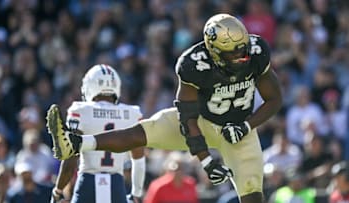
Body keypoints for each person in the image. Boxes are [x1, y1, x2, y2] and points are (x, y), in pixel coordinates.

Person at [46, 13, 282, 203]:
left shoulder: (257, 51)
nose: (242, 56)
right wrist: (206, 161)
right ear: (213, 51)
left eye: (243, 48)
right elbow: (187, 120)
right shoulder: (193, 65)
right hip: (201, 121)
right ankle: (76, 143)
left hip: (238, 130)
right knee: (142, 132)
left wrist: (246, 125)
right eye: (234, 52)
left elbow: (274, 99)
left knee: (252, 194)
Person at [50, 64, 146, 203]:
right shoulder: (131, 114)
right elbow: (138, 160)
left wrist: (58, 191)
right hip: (116, 185)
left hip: (87, 183)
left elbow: (71, 157)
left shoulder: (81, 110)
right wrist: (136, 193)